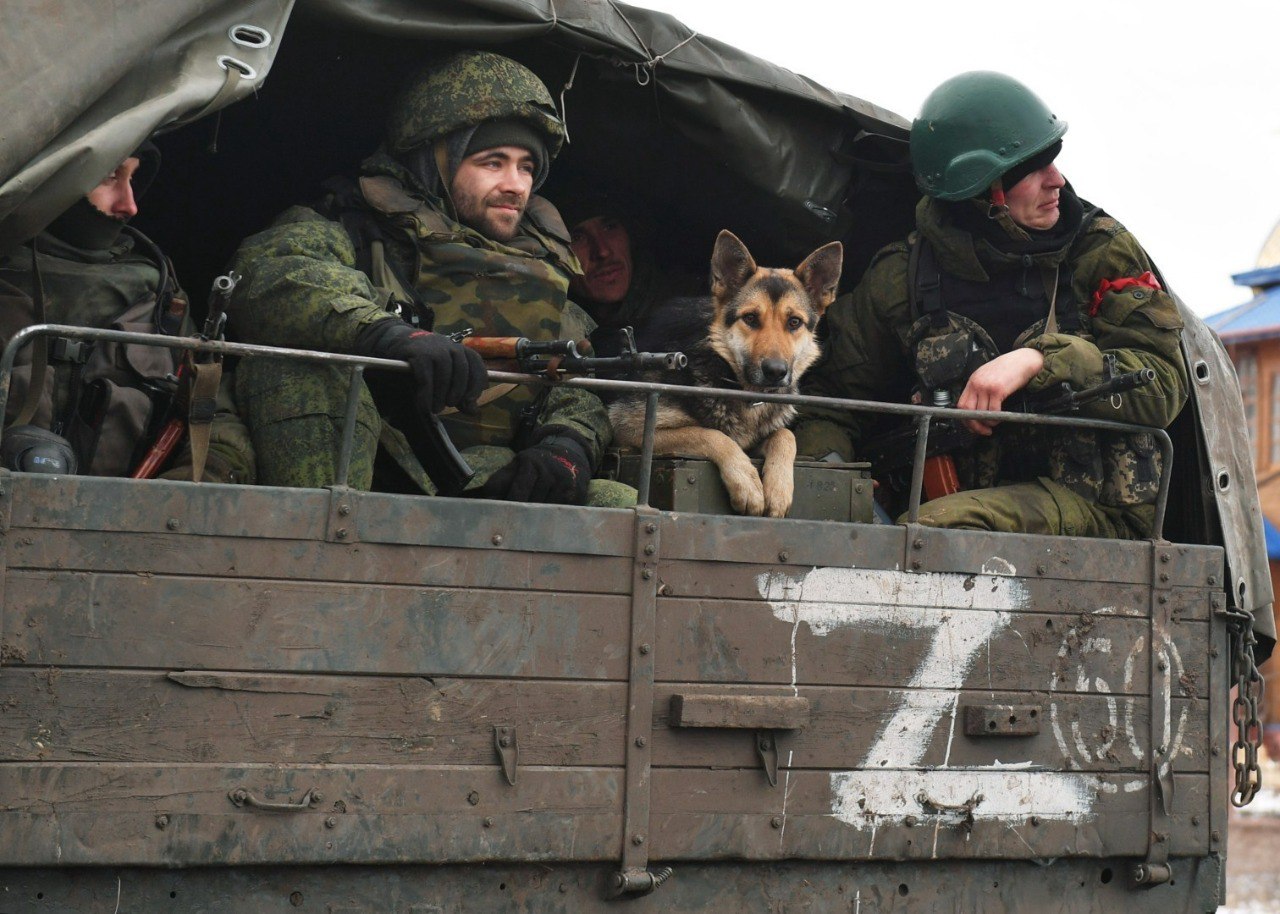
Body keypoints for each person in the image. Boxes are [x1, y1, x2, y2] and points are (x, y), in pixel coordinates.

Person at [794, 71, 1188, 539]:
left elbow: (1163, 384)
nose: (1057, 181)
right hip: (947, 502)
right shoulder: (902, 278)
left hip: (1098, 514)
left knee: (940, 528)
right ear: (982, 189)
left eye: (1054, 161)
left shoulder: (1100, 253)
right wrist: (836, 487)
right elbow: (827, 398)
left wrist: (1041, 360)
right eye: (1032, 169)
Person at [230, 50, 633, 507]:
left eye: (526, 167)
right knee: (304, 370)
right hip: (371, 464)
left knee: (618, 504)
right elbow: (274, 273)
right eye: (492, 161)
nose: (516, 184)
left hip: (477, 473)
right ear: (434, 161)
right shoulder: (355, 229)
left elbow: (576, 382)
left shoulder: (542, 274)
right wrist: (390, 336)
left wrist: (566, 448)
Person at [0, 143, 255, 483]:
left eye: (132, 179)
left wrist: (169, 498)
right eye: (109, 177)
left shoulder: (158, 294)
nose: (130, 205)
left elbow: (217, 422)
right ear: (56, 180)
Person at [560, 194, 706, 355]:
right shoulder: (555, 321)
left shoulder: (693, 307)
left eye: (610, 227)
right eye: (577, 238)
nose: (602, 251)